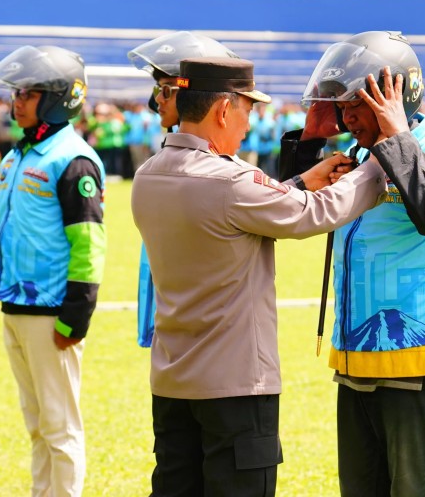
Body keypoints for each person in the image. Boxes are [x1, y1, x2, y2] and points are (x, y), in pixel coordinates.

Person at [131, 57, 388, 497]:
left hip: (174, 382)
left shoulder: (147, 176)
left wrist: (303, 181)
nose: (250, 123)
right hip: (234, 388)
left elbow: (239, 210)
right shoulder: (230, 181)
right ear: (223, 110)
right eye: (248, 109)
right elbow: (314, 214)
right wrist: (379, 165)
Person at [280, 31, 425, 497]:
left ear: (393, 97)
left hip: (415, 357)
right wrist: (309, 139)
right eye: (342, 106)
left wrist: (397, 136)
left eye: (358, 104)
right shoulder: (357, 157)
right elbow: (281, 209)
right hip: (355, 356)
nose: (347, 118)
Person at [0, 45, 106, 497]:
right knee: (36, 424)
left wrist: (76, 313)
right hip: (15, 306)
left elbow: (89, 243)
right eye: (15, 92)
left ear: (57, 98)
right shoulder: (18, 155)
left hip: (52, 312)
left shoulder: (72, 160)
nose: (15, 101)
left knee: (60, 427)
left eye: (26, 93)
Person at [126, 31, 239, 348]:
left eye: (166, 90)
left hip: (201, 329)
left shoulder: (217, 166)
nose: (157, 101)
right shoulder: (166, 159)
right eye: (157, 90)